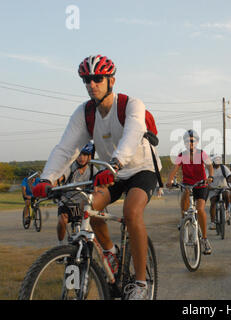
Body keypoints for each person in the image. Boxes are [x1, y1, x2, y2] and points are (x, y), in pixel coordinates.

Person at [32, 54, 162, 299]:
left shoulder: (131, 104)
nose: (92, 84)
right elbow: (66, 148)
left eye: (97, 78)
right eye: (87, 80)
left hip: (140, 168)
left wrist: (115, 163)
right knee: (84, 207)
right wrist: (46, 178)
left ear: (111, 80)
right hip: (111, 173)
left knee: (131, 212)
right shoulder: (85, 113)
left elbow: (133, 135)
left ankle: (141, 284)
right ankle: (110, 253)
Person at [166, 129, 214, 255]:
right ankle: (183, 219)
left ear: (197, 142)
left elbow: (209, 166)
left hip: (201, 185)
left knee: (200, 209)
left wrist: (210, 177)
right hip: (188, 184)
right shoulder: (182, 155)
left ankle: (204, 239)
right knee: (185, 194)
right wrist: (170, 180)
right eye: (187, 141)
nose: (190, 143)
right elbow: (174, 168)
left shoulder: (202, 153)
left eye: (192, 141)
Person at [56, 142, 97, 244]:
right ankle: (60, 244)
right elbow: (60, 178)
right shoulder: (70, 167)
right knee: (62, 221)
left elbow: (99, 184)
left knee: (89, 232)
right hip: (67, 201)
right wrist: (52, 185)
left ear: (90, 156)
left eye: (85, 155)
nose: (81, 158)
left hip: (84, 204)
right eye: (79, 154)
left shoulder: (92, 170)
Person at [207, 155, 231, 230]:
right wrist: (208, 186)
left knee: (226, 195)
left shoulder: (223, 168)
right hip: (213, 189)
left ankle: (227, 212)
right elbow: (206, 179)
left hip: (223, 187)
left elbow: (230, 177)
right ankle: (212, 222)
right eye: (216, 162)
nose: (218, 164)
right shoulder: (209, 169)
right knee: (213, 202)